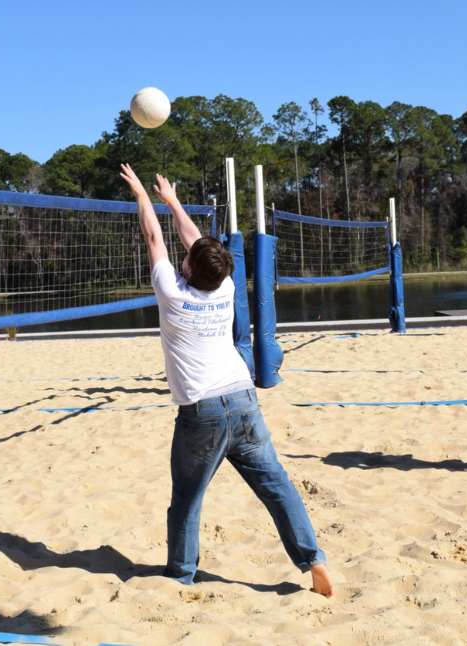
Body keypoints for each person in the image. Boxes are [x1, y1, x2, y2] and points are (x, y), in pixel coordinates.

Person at [119, 163, 333, 597]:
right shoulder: (226, 286)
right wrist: (172, 201)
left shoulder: (172, 292)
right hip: (244, 398)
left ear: (188, 267)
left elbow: (155, 238)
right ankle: (313, 561)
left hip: (203, 413)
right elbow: (193, 243)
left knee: (187, 500)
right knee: (276, 486)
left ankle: (181, 575)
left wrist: (142, 196)